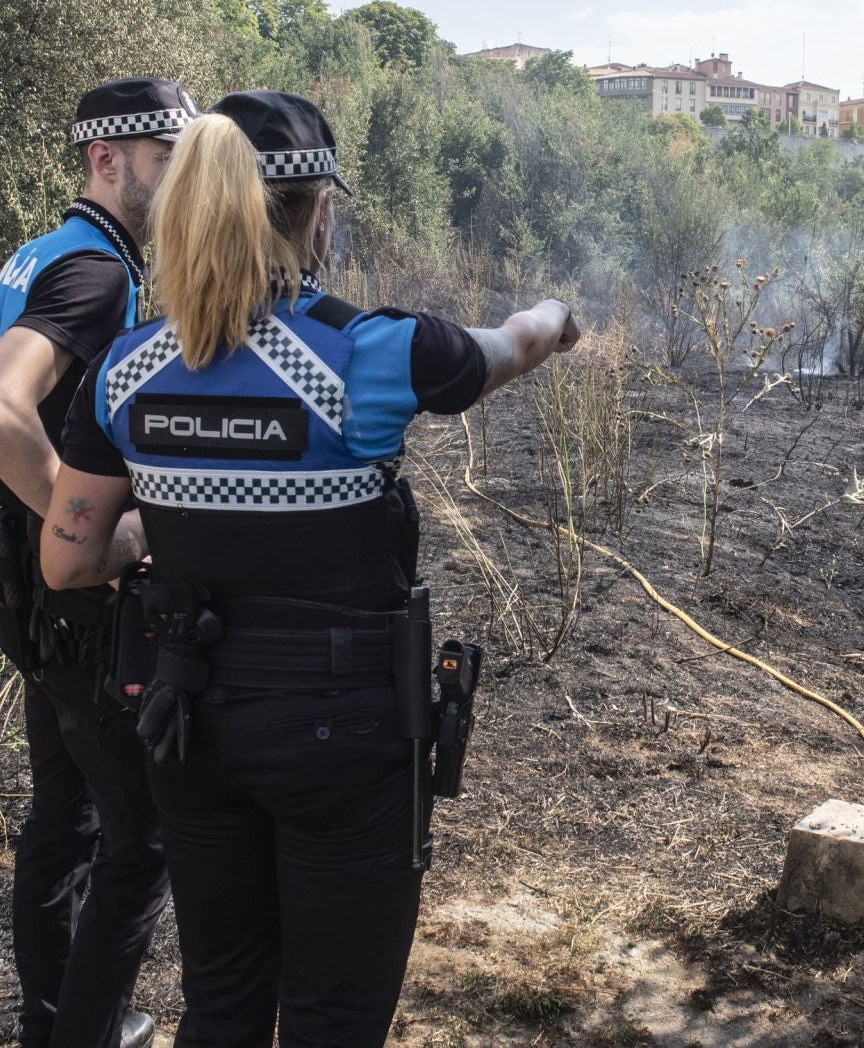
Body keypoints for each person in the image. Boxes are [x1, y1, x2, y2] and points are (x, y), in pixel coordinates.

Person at [37, 90, 579, 1048]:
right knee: (332, 1017)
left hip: (190, 725)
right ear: (315, 207)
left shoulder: (122, 371)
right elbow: (518, 344)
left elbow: (69, 559)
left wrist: (158, 538)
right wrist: (557, 313)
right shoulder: (375, 355)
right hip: (346, 737)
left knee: (221, 1005)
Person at [0, 77, 193, 1048]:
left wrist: (36, 517)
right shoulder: (96, 274)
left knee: (65, 817)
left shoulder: (34, 256)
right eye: (166, 163)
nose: (178, 187)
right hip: (67, 599)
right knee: (145, 837)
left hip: (16, 587)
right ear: (107, 159)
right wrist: (87, 531)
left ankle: (51, 1020)